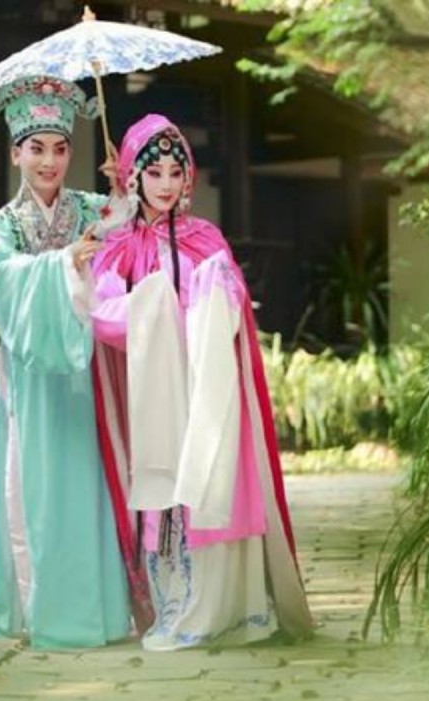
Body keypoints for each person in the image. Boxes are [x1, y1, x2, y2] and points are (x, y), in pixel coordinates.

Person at [90, 114, 315, 650]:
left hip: (206, 388)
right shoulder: (119, 245)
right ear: (133, 176)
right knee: (165, 495)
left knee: (213, 482)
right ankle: (176, 610)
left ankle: (231, 610)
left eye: (176, 172)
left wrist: (214, 293)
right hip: (155, 394)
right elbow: (102, 313)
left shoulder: (206, 238)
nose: (166, 184)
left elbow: (232, 302)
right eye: (154, 173)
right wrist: (152, 307)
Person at [0, 76, 143, 649]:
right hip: (31, 379)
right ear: (15, 153)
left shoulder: (92, 209)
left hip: (86, 373)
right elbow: (5, 278)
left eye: (60, 148)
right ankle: (39, 612)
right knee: (36, 491)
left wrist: (125, 190)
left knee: (90, 487)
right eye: (37, 148)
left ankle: (101, 614)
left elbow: (133, 235)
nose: (49, 161)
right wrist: (65, 261)